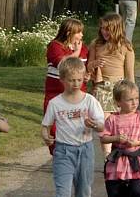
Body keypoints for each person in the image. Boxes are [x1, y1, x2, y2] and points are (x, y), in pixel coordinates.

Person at [41, 57, 105, 197]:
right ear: (62, 80)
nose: (75, 84)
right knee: (62, 191)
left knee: (84, 191)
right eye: (71, 80)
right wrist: (46, 137)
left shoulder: (89, 101)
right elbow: (46, 125)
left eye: (79, 80)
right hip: (63, 151)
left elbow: (101, 126)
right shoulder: (55, 103)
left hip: (85, 150)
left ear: (83, 78)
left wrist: (94, 124)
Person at [88, 12, 135, 156]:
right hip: (102, 87)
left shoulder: (126, 46)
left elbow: (130, 73)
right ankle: (107, 157)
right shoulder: (96, 44)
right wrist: (94, 64)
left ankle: (120, 153)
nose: (104, 32)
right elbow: (88, 67)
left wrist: (132, 94)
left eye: (108, 29)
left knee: (121, 124)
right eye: (102, 28)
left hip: (119, 87)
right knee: (105, 124)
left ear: (117, 28)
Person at [100, 81, 140, 197]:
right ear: (118, 102)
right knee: (114, 192)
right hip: (116, 162)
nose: (134, 102)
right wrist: (116, 138)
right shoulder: (112, 119)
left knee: (137, 192)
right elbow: (103, 138)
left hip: (135, 162)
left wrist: (137, 142)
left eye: (136, 98)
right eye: (130, 100)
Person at [44, 18, 89, 155]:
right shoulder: (55, 46)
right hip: (55, 93)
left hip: (77, 95)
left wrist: (87, 75)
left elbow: (84, 68)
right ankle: (57, 154)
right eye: (79, 32)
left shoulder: (84, 49)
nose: (81, 36)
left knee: (75, 124)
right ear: (69, 32)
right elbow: (63, 65)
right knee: (54, 127)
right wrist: (76, 52)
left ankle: (73, 154)